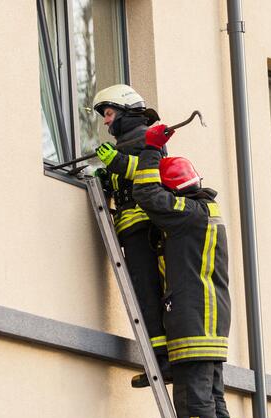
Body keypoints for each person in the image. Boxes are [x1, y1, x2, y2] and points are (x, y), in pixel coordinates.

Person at [131, 124, 241, 418]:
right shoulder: (207, 213)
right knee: (212, 401)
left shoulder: (187, 216)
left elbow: (148, 196)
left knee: (194, 406)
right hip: (210, 323)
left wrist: (149, 151)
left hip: (192, 322)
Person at [91, 84, 171, 388]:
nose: (106, 122)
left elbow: (154, 172)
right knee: (143, 297)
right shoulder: (129, 141)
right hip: (132, 230)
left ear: (125, 110)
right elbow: (126, 178)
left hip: (144, 230)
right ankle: (157, 358)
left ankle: (161, 361)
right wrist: (108, 177)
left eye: (109, 114)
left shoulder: (148, 139)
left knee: (149, 296)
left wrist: (116, 164)